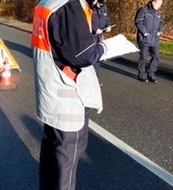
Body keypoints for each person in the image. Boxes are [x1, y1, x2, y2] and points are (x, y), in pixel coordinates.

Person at [31, 0, 107, 189]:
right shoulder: (67, 5)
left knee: (52, 152)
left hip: (51, 93)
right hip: (67, 99)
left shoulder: (50, 2)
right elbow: (84, 54)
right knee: (66, 159)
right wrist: (105, 48)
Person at [134, 0, 164, 83]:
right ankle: (141, 74)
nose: (159, 6)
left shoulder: (159, 12)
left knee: (156, 56)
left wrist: (160, 30)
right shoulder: (143, 10)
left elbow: (161, 22)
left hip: (155, 39)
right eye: (158, 4)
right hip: (144, 38)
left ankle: (151, 74)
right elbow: (138, 22)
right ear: (154, 2)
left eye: (160, 5)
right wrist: (145, 33)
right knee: (143, 57)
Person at [91, 0, 111, 81]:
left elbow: (106, 19)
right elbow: (87, 20)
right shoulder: (91, 8)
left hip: (100, 36)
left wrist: (108, 26)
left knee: (98, 58)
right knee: (90, 58)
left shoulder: (104, 8)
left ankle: (95, 79)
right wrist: (94, 29)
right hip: (91, 36)